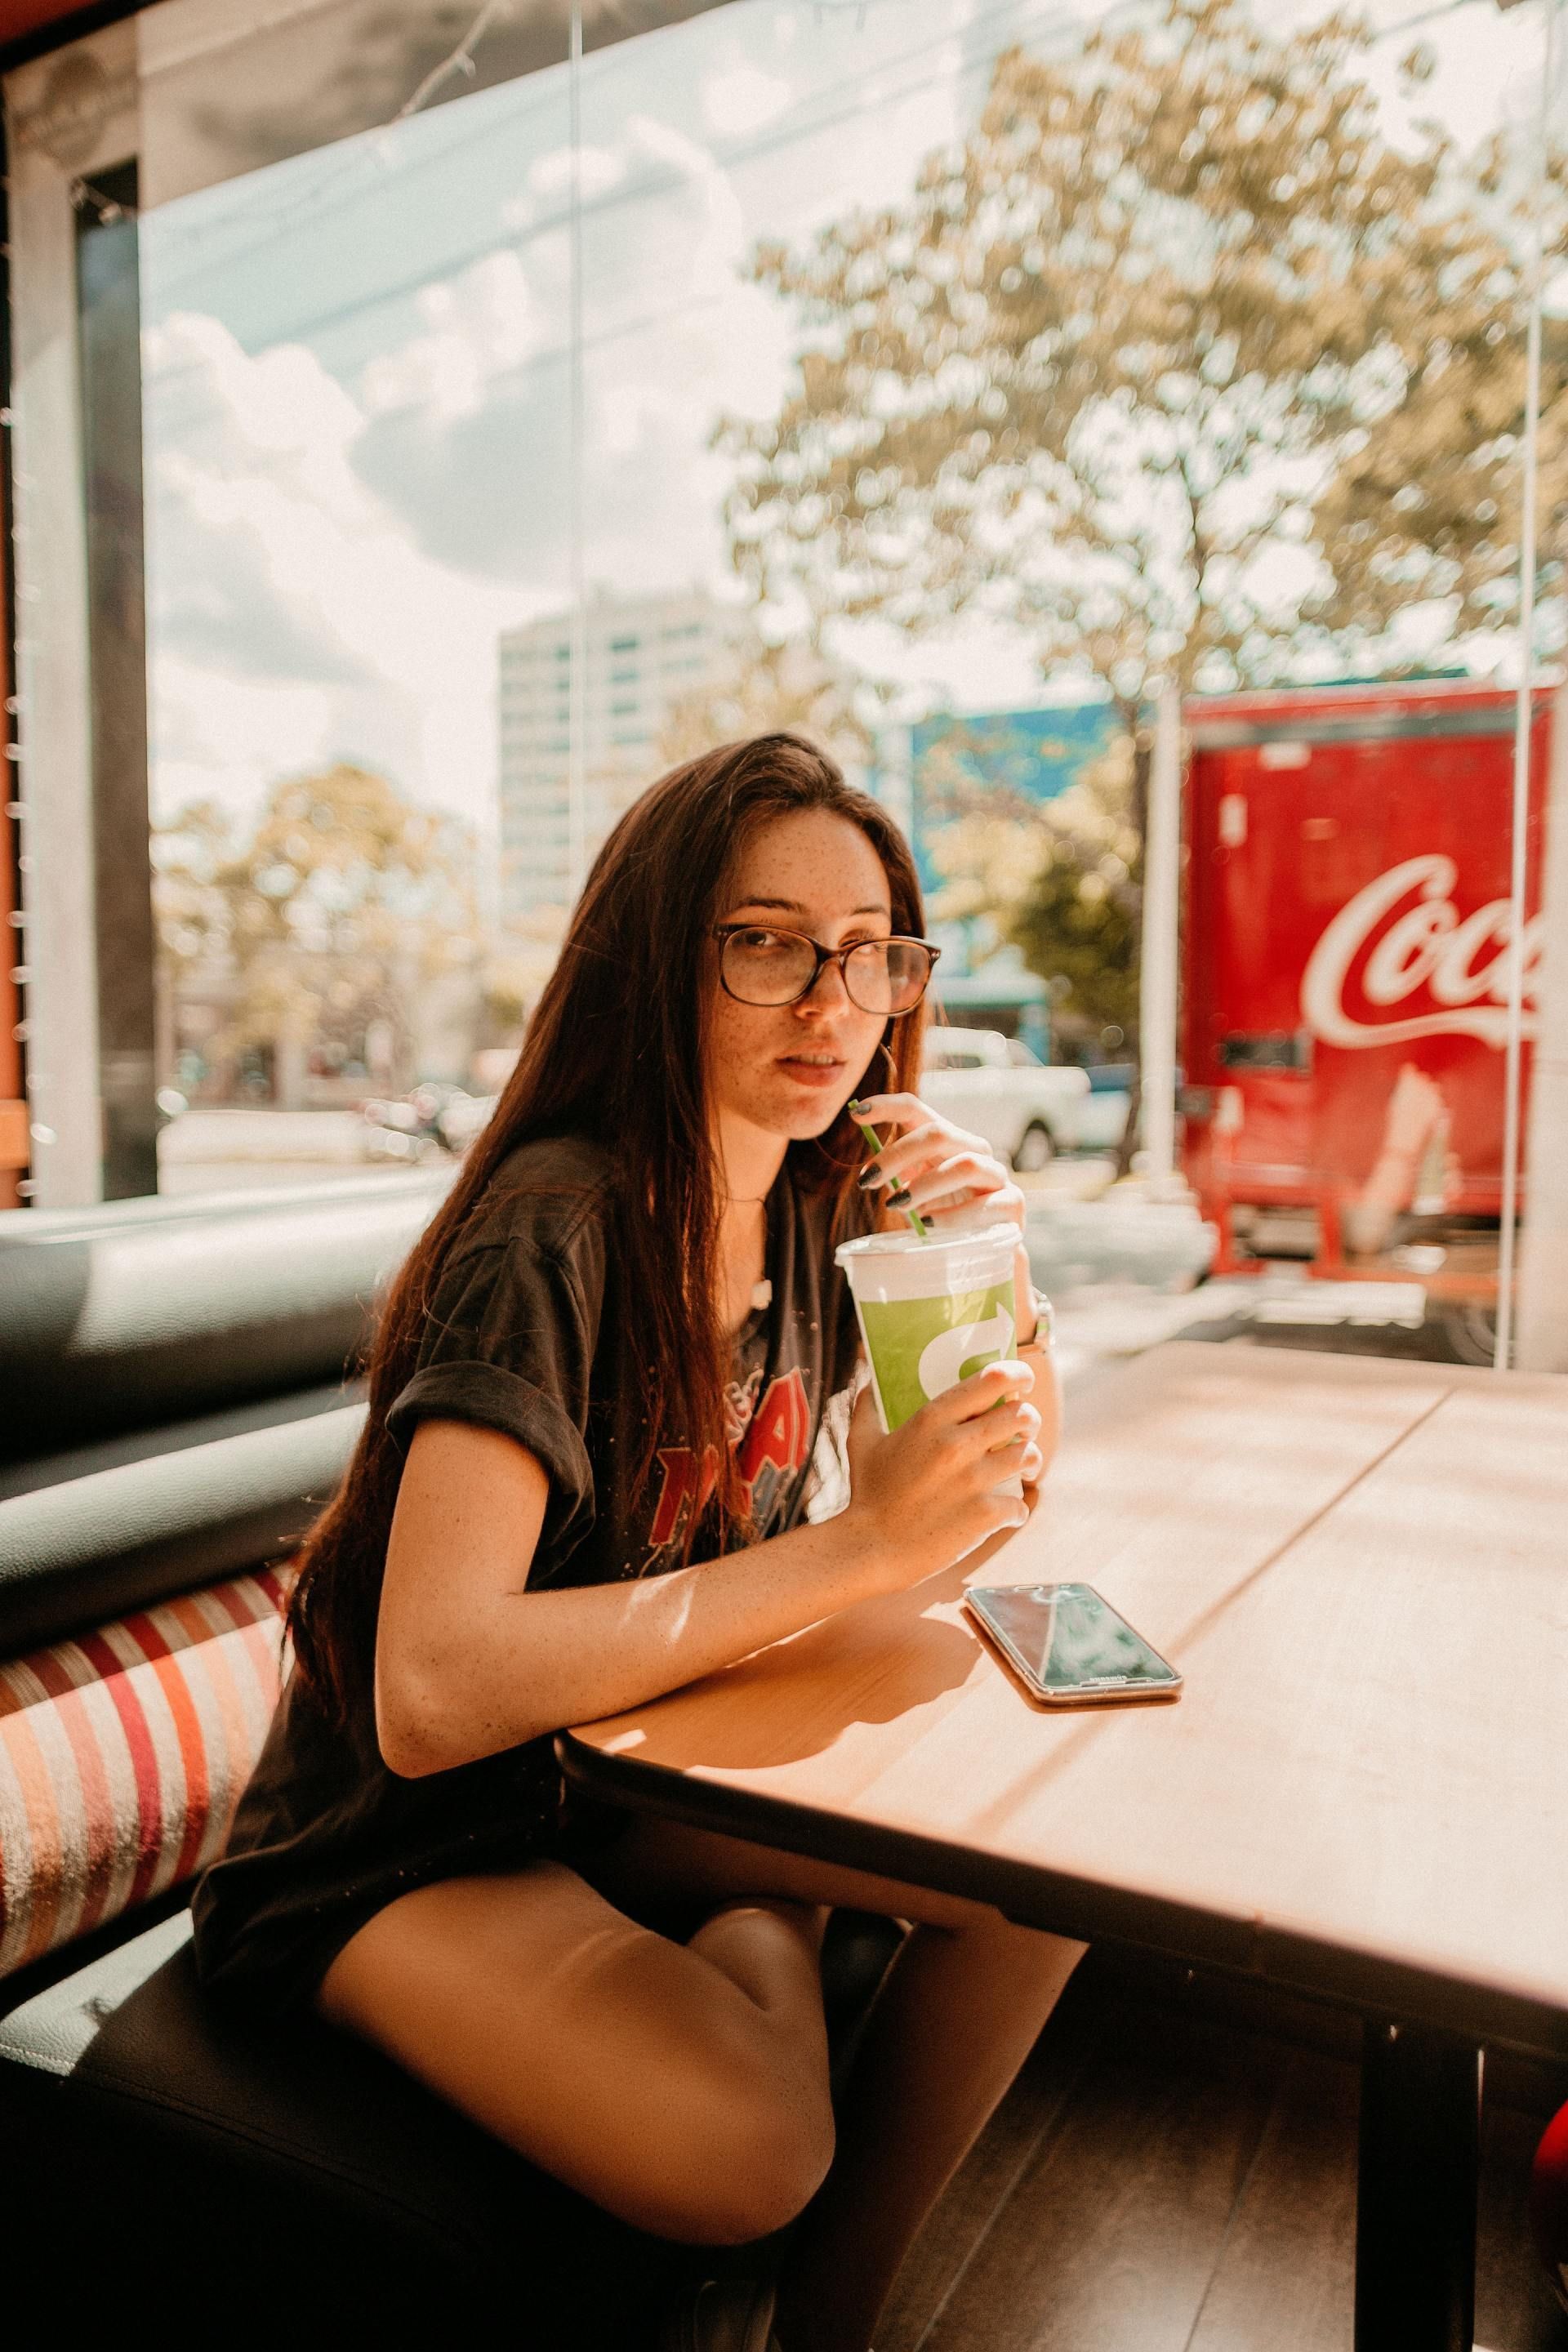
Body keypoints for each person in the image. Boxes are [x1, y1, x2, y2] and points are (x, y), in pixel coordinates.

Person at [193, 733, 1083, 2352]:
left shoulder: (829, 1217)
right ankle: (764, 1927)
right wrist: (852, 1554)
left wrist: (1005, 1281)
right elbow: (431, 1688)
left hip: (623, 1779)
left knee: (1045, 1887)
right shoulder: (562, 1226)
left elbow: (964, 1531)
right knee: (756, 2142)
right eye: (766, 945)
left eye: (869, 954)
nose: (832, 1003)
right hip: (411, 1836)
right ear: (658, 962)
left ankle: (841, 2330)